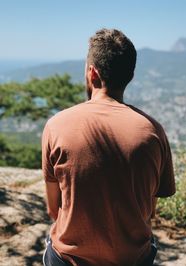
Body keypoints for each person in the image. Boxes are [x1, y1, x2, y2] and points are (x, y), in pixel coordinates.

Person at [42, 28, 175, 266]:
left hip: (70, 260)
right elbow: (149, 211)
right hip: (133, 259)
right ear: (130, 76)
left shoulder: (56, 125)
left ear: (92, 73)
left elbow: (54, 209)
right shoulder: (153, 132)